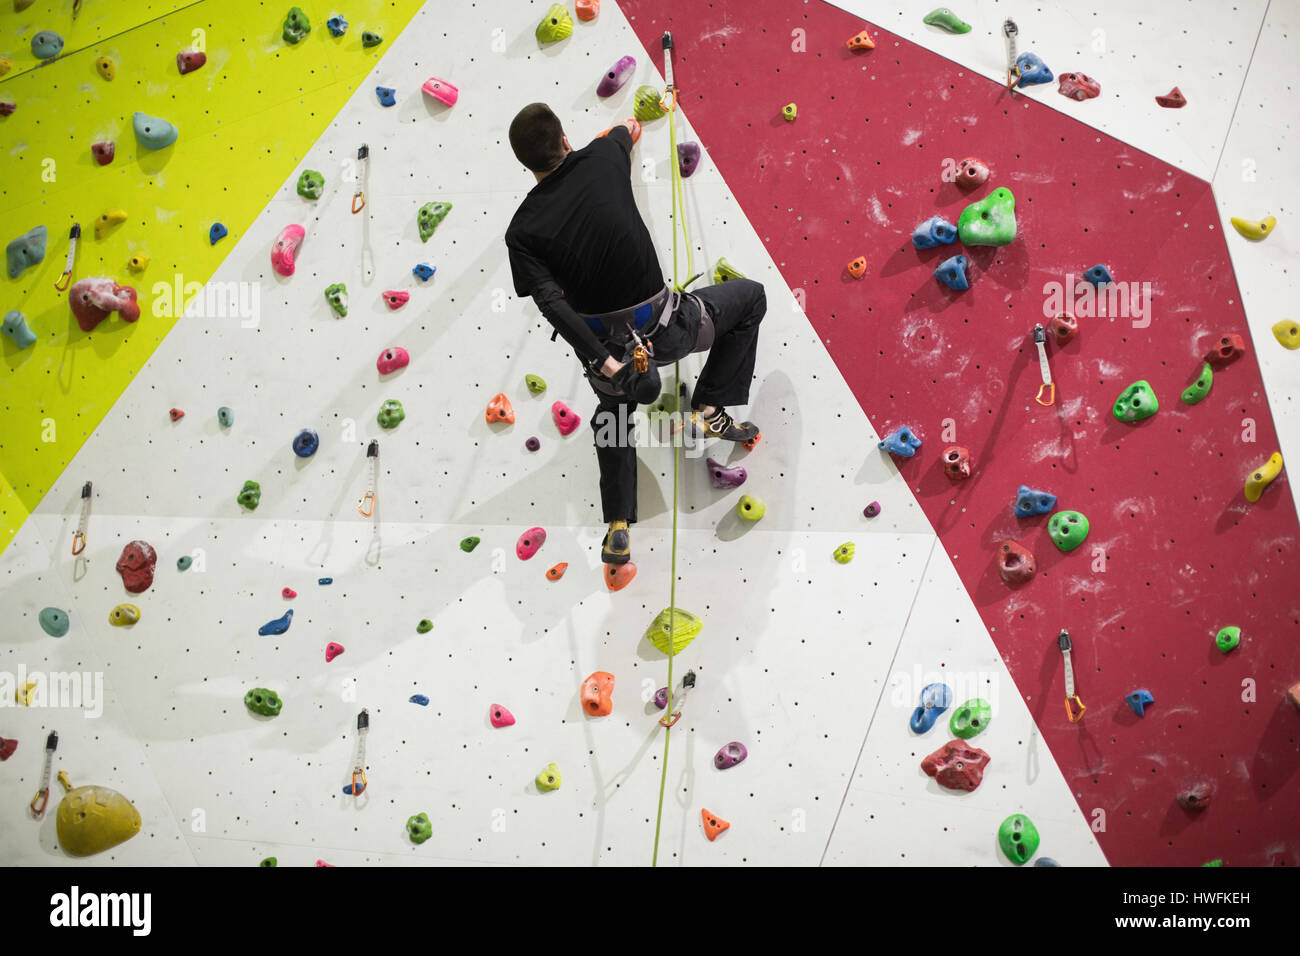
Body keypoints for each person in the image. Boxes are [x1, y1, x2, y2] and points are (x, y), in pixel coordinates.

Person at [504, 102, 766, 566]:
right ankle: (709, 407)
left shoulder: (522, 232)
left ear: (524, 165)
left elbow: (552, 304)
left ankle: (618, 524)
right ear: (566, 140)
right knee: (750, 299)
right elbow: (628, 127)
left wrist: (608, 365)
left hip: (610, 358)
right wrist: (625, 128)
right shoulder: (602, 157)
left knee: (612, 417)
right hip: (671, 327)